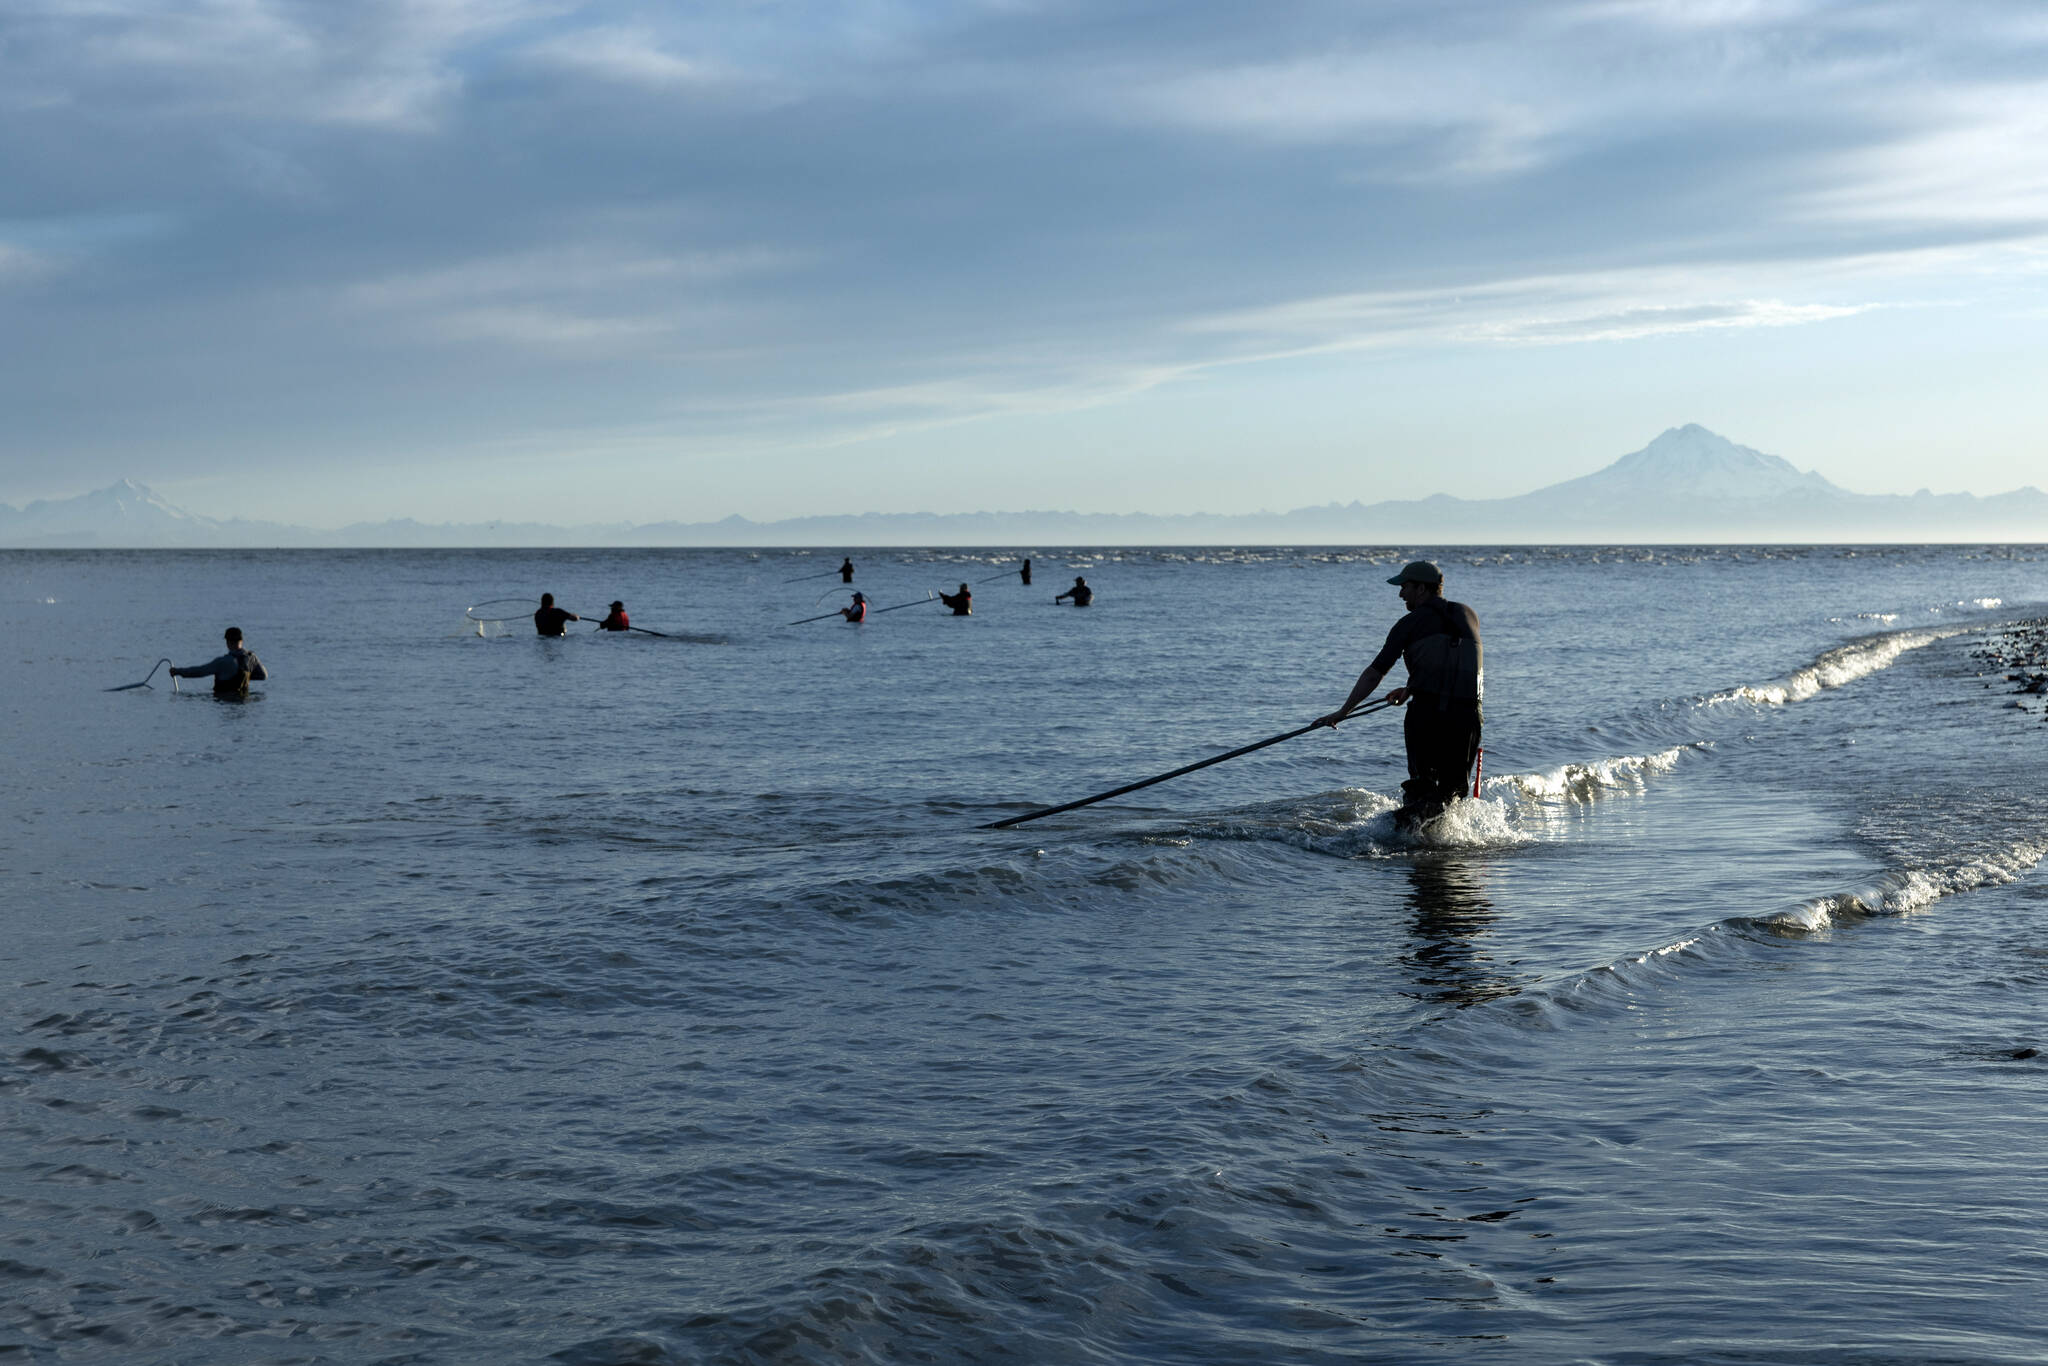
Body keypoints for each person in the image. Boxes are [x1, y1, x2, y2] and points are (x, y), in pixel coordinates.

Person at [1313, 560, 1482, 826]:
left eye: (1405, 587)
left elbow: (1374, 673)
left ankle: (1392, 833)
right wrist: (1413, 686)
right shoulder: (1469, 615)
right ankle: (1445, 853)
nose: (1400, 593)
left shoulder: (1409, 623)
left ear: (1422, 589)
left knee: (1422, 787)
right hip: (1468, 717)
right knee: (1454, 792)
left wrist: (1342, 713)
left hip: (1428, 716)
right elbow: (1454, 658)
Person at [171, 626, 268, 698]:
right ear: (242, 640)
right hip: (243, 700)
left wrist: (178, 671)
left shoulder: (223, 662)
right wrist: (243, 677)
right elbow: (263, 676)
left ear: (228, 642)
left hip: (224, 701)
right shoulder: (251, 657)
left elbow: (200, 671)